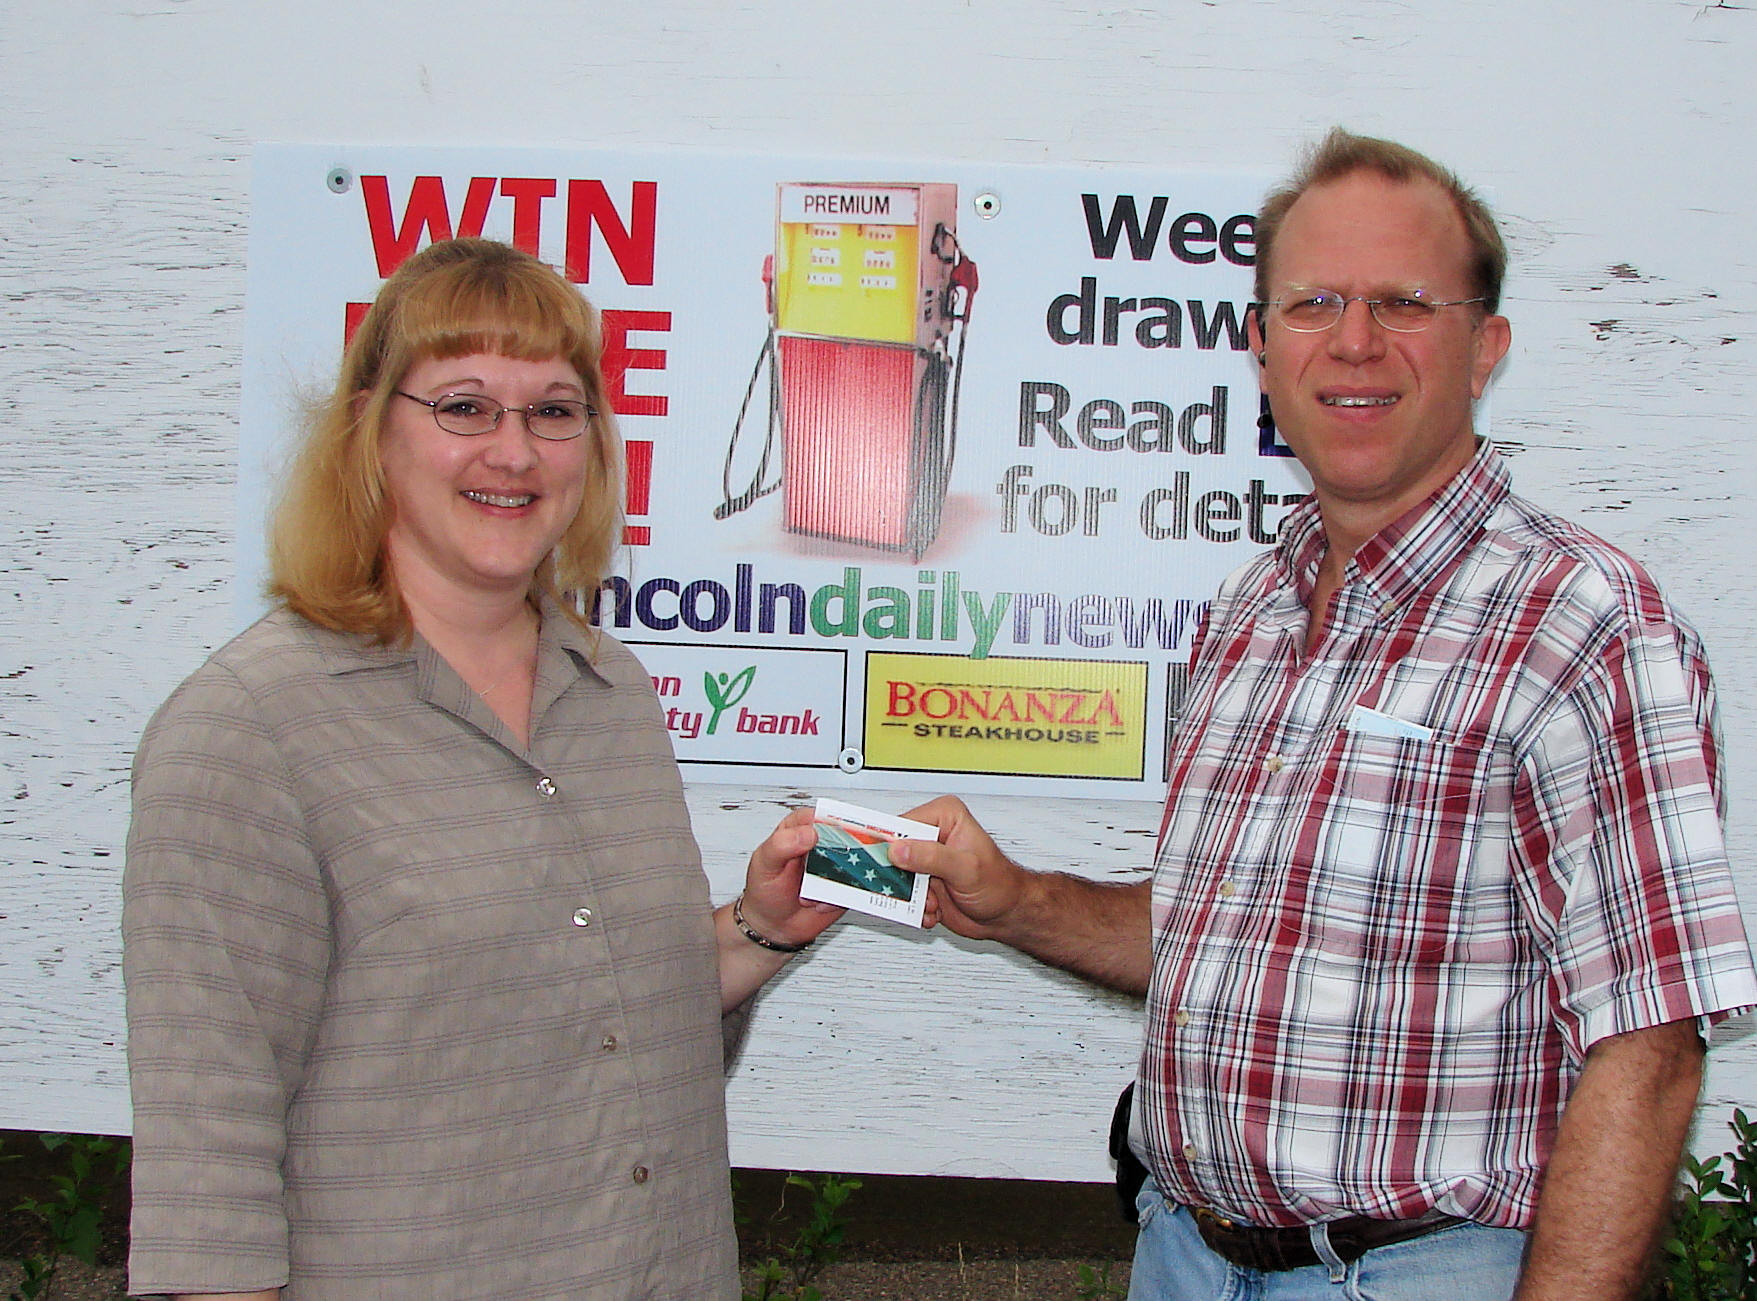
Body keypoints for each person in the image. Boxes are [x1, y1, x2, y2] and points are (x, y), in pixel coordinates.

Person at [895, 129, 1757, 1300]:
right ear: (1260, 348)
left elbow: (1646, 1047)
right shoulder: (1248, 610)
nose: (1352, 341)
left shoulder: (1583, 624)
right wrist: (1017, 902)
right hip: (1180, 1255)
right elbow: (1221, 937)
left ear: (1484, 347)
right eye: (1311, 304)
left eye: (1402, 301)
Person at [122, 237, 836, 1300]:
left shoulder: (611, 691)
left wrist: (757, 926)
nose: (514, 451)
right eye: (464, 406)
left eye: (553, 410)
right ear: (370, 432)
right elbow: (208, 1172)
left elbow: (610, 1020)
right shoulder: (248, 728)